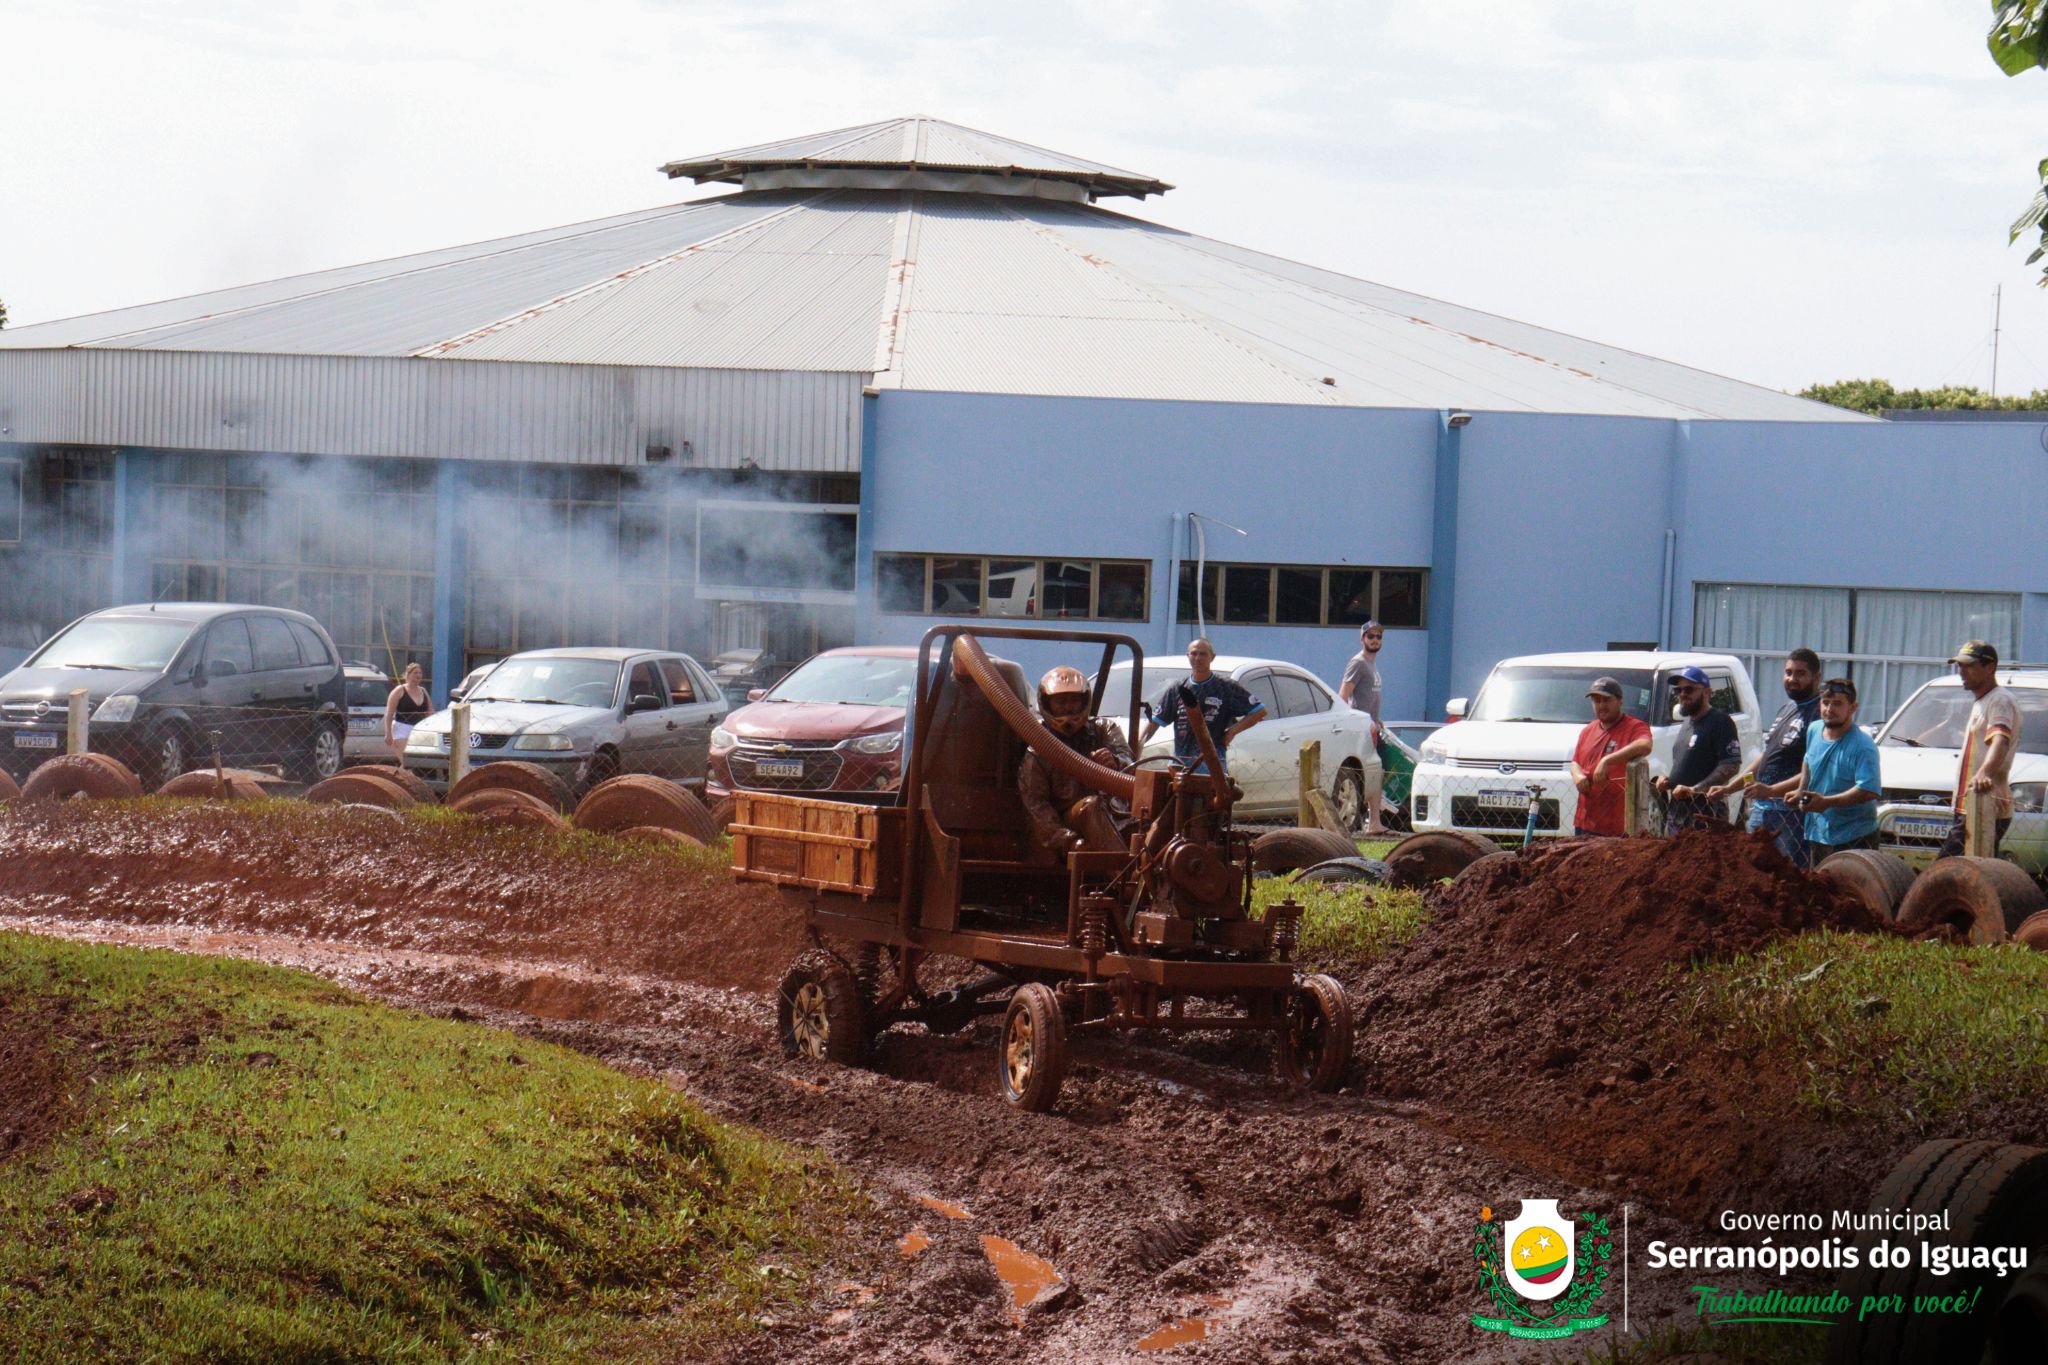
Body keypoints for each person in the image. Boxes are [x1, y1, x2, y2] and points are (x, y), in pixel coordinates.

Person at [1704, 649, 1822, 866]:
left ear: (1816, 677)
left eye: (1800, 673)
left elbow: (1815, 769)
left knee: (1789, 879)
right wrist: (1730, 788)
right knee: (1755, 875)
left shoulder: (1819, 713)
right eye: (1788, 672)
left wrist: (1772, 791)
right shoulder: (1787, 708)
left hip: (1791, 814)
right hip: (1762, 809)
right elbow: (1765, 759)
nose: (1792, 679)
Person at [1018, 665, 1132, 856]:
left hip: (1117, 816)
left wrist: (1115, 763)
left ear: (1084, 701)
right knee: (1090, 806)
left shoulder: (1104, 729)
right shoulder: (1039, 746)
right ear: (1047, 703)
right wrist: (1067, 840)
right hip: (1069, 822)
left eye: (1073, 701)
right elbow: (1035, 804)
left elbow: (1132, 767)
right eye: (1060, 702)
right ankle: (1129, 881)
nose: (1068, 707)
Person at [1786, 678, 1883, 864]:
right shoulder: (1814, 729)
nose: (1829, 710)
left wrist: (1826, 802)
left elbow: (1869, 790)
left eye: (1837, 704)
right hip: (1818, 832)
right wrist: (1800, 789)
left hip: (1854, 836)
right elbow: (1808, 759)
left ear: (1853, 708)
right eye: (1825, 703)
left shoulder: (1863, 745)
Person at [1938, 640, 2019, 859]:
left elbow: (2000, 739)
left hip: (1983, 806)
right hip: (1971, 806)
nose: (1961, 671)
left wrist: (1984, 773)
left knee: (1946, 871)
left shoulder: (1999, 700)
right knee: (1970, 875)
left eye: (1968, 665)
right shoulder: (1983, 701)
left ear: (1990, 667)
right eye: (1959, 666)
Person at [1142, 638, 1264, 774]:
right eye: (1193, 654)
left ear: (1212, 657)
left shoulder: (1225, 687)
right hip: (1181, 760)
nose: (1197, 658)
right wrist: (1136, 746)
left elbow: (1259, 711)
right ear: (1187, 656)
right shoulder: (1178, 688)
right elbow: (1155, 722)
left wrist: (1231, 732)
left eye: (1203, 654)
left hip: (1212, 760)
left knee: (1213, 794)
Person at [1651, 665, 1740, 834]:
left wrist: (1696, 790)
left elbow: (1731, 765)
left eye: (1689, 689)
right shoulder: (1686, 725)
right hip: (1678, 816)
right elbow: (1690, 769)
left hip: (1706, 814)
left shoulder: (1720, 721)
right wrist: (1668, 781)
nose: (1683, 694)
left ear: (1707, 692)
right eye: (1679, 690)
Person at [1569, 676, 1654, 836]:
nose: (1601, 705)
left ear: (1620, 701)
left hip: (1617, 825)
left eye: (1606, 700)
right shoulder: (1588, 730)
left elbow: (1645, 745)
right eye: (1596, 701)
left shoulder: (1634, 726)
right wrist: (1578, 776)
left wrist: (1607, 760)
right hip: (1586, 819)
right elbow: (1575, 761)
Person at [1337, 620, 1393, 835]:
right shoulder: (1358, 662)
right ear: (1362, 639)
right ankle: (1371, 822)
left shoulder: (1372, 664)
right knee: (1370, 772)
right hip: (1361, 728)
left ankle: (1374, 822)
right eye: (1371, 636)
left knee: (1376, 772)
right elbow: (1343, 696)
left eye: (1378, 637)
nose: (1375, 640)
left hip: (1372, 725)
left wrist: (1377, 719)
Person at [383, 661, 431, 755]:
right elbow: (389, 713)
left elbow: (430, 711)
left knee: (416, 763)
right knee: (406, 761)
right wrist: (388, 733)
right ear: (408, 675)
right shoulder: (399, 690)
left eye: (420, 673)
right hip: (401, 730)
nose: (418, 675)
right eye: (415, 672)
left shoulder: (423, 691)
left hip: (419, 730)